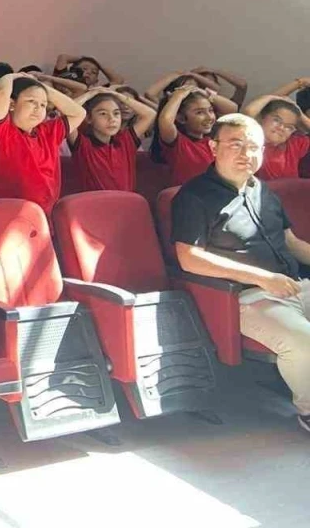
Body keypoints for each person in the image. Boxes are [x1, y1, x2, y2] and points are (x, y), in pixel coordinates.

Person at [172, 114, 310, 433]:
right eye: (236, 145)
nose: (246, 154)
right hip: (244, 296)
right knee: (303, 342)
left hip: (293, 285)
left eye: (254, 147)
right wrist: (261, 278)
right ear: (213, 147)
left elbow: (291, 242)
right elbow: (189, 258)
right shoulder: (194, 196)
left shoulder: (263, 191)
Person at [0, 72, 86, 214]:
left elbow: (79, 113)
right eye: (31, 101)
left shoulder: (48, 133)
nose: (38, 108)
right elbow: (1, 93)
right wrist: (13, 76)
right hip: (7, 214)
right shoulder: (0, 132)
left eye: (43, 105)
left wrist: (40, 87)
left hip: (45, 216)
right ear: (11, 104)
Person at [68, 87, 156, 192]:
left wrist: (117, 95)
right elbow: (65, 112)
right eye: (103, 114)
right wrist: (91, 94)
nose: (112, 119)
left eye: (116, 113)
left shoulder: (125, 141)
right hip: (94, 201)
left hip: (127, 201)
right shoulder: (83, 145)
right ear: (89, 118)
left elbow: (150, 114)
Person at [243, 89, 310, 181]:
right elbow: (249, 112)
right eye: (276, 120)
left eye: (289, 127)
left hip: (292, 189)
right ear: (262, 118)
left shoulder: (294, 143)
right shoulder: (252, 139)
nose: (281, 128)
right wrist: (272, 97)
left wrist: (299, 112)